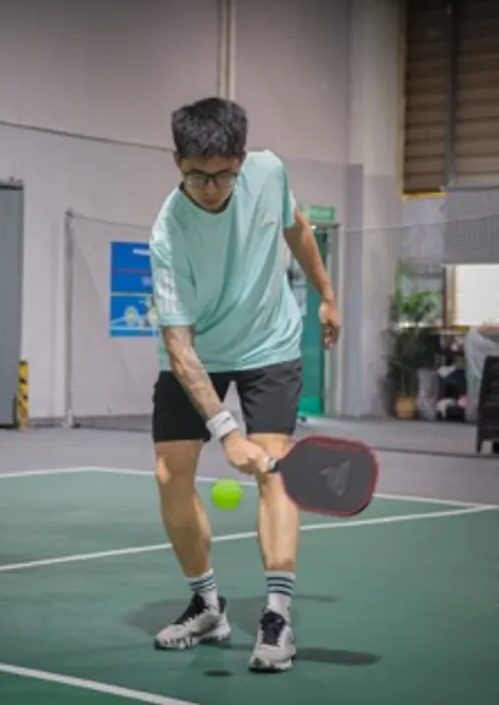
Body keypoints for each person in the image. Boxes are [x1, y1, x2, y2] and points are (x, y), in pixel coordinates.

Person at [148, 97, 340, 673]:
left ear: (242, 159)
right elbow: (180, 348)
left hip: (267, 343)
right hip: (199, 352)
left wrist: (326, 294)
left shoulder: (269, 171)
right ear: (177, 161)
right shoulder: (168, 234)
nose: (210, 188)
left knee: (274, 469)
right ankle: (207, 606)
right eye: (196, 175)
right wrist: (227, 432)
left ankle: (276, 615)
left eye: (223, 174)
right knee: (171, 472)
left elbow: (295, 227)